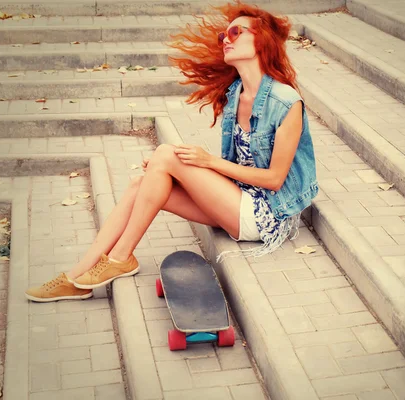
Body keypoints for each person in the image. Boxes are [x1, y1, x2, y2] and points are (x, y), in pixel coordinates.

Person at [25, 0, 318, 302]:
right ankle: (77, 276)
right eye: (223, 37)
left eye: (235, 32)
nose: (225, 40)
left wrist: (209, 163)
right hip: (237, 198)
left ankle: (121, 257)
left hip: (266, 213)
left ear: (261, 39)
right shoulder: (236, 95)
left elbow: (274, 179)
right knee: (143, 182)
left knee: (166, 155)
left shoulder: (286, 102)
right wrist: (179, 169)